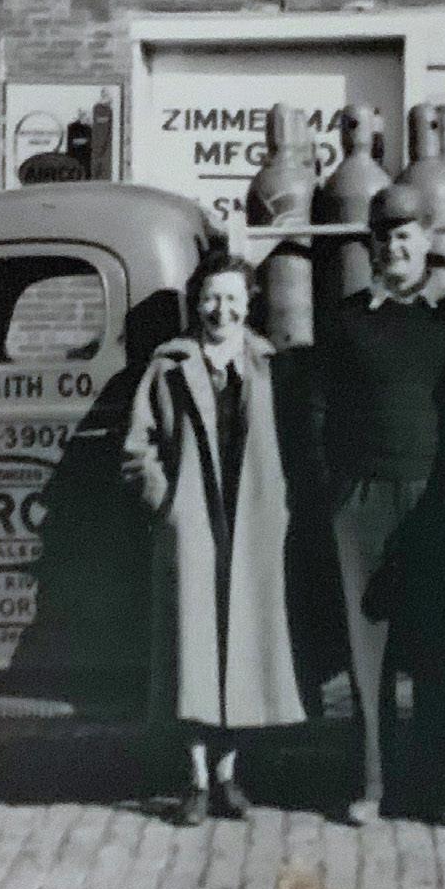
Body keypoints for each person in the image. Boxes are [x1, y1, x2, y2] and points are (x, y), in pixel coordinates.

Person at [310, 184, 445, 825]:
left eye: (406, 235)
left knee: (436, 644)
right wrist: (335, 491)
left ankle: (442, 787)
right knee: (368, 653)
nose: (394, 248)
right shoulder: (347, 318)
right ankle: (370, 784)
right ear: (371, 246)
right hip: (362, 499)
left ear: (427, 239)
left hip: (434, 499)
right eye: (383, 237)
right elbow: (318, 410)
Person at [122, 251, 308, 825]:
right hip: (194, 523)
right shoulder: (170, 365)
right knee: (195, 649)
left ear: (248, 302)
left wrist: (283, 504)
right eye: (210, 297)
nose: (220, 309)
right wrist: (166, 503)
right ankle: (196, 779)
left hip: (251, 524)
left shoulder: (269, 365)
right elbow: (138, 447)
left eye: (231, 297)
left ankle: (230, 775)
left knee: (241, 648)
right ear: (195, 302)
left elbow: (296, 442)